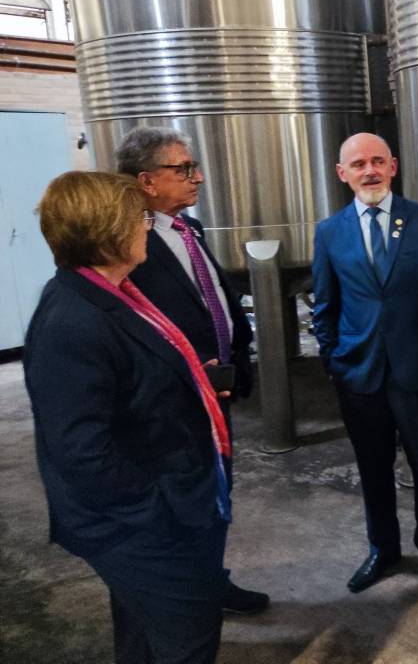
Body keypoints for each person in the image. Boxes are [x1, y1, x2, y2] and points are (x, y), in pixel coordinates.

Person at [25, 171, 231, 663]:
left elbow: (125, 383)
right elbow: (82, 451)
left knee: (141, 629)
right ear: (108, 229)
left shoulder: (110, 291)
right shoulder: (73, 321)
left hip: (162, 506)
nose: (146, 227)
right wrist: (160, 515)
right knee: (189, 638)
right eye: (139, 218)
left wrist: (187, 381)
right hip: (141, 528)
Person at [115, 126, 268, 615]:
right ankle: (187, 595)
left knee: (217, 491)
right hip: (174, 399)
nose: (197, 177)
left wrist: (237, 358)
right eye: (183, 169)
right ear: (147, 181)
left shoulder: (190, 229)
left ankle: (211, 580)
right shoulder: (127, 244)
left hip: (217, 390)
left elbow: (213, 298)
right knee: (184, 497)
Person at [312, 132, 418, 593]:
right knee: (372, 467)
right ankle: (383, 549)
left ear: (393, 166)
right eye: (359, 164)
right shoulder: (329, 232)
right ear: (343, 174)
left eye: (378, 161)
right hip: (358, 373)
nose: (370, 170)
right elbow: (325, 306)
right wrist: (334, 361)